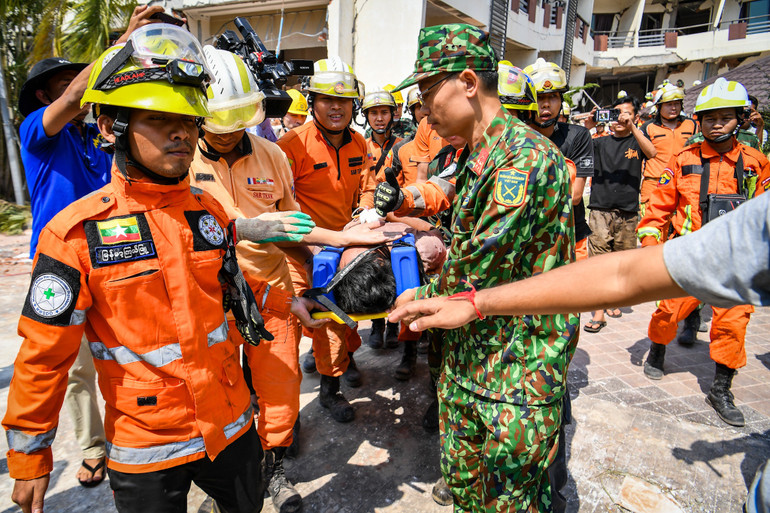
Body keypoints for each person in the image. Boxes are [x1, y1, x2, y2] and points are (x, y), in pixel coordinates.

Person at [3, 24, 320, 513]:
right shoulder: (75, 236)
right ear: (110, 127)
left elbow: (238, 293)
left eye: (191, 120)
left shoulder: (209, 213)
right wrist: (29, 458)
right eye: (160, 118)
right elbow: (43, 357)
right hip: (146, 445)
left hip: (231, 425)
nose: (182, 133)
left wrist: (290, 302)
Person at [189, 47, 393, 511]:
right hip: (207, 296)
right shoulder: (182, 157)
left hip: (273, 289)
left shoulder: (270, 156)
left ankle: (274, 468)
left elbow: (291, 221)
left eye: (238, 119)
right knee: (217, 391)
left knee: (279, 390)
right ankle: (225, 479)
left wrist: (335, 249)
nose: (227, 133)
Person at [387, 23, 578, 511]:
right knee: (469, 495)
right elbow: (453, 220)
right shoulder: (475, 155)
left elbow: (477, 262)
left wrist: (399, 285)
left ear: (468, 83)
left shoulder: (524, 160)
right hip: (470, 359)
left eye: (429, 90)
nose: (424, 108)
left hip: (514, 373)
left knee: (508, 501)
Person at [14, 4, 162, 488]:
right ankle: (94, 449)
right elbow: (82, 93)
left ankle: (144, 437)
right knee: (74, 369)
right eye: (67, 82)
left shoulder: (102, 137)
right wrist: (125, 39)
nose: (82, 87)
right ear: (44, 95)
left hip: (118, 260)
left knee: (133, 354)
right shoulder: (38, 131)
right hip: (61, 265)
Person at [636, 77, 770, 427]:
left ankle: (721, 388)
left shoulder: (756, 162)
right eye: (709, 117)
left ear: (740, 119)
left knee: (733, 325)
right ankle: (658, 350)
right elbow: (658, 209)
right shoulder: (682, 160)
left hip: (735, 261)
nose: (715, 124)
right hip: (688, 255)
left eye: (724, 117)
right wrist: (652, 249)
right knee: (667, 312)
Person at [276, 57, 377, 422]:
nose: (336, 107)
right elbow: (276, 202)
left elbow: (367, 187)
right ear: (312, 101)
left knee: (347, 314)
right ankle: (329, 391)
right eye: (326, 99)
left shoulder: (360, 143)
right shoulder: (291, 146)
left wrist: (365, 210)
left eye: (344, 101)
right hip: (300, 247)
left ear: (354, 104)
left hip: (343, 244)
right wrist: (309, 245)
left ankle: (340, 359)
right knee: (323, 316)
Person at [582, 95, 656, 333]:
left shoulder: (637, 142)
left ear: (635, 116)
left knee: (621, 262)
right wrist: (589, 127)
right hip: (600, 209)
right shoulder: (600, 142)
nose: (620, 119)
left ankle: (613, 301)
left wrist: (633, 127)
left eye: (626, 114)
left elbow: (652, 153)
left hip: (627, 211)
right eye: (616, 114)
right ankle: (599, 312)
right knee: (600, 262)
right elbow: (580, 149)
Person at [523, 58, 594, 261]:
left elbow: (576, 195)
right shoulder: (516, 137)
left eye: (553, 97)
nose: (546, 104)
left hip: (571, 237)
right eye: (539, 97)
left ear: (561, 101)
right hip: (526, 239)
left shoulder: (578, 136)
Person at [638, 82, 698, 218]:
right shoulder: (647, 128)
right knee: (653, 228)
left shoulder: (691, 125)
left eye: (677, 104)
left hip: (684, 182)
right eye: (669, 104)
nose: (674, 108)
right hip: (654, 183)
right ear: (659, 106)